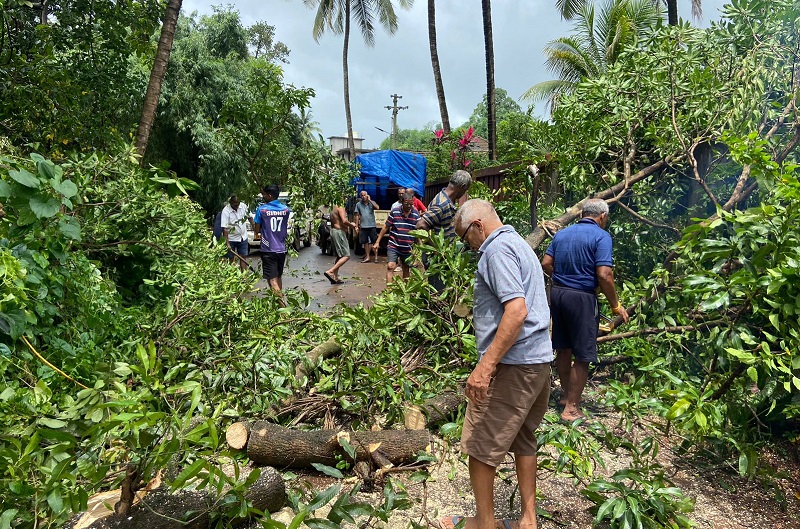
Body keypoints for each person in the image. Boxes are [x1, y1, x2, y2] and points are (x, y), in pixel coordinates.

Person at [443, 199, 553, 529]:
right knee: (523, 439)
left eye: (465, 238)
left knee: (480, 444)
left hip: (514, 365)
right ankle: (527, 519)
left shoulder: (496, 250)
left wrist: (485, 367)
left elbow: (516, 311)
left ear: (477, 225)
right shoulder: (519, 243)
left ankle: (485, 523)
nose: (468, 246)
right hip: (538, 361)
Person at [541, 198, 630, 422]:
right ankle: (571, 408)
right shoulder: (602, 236)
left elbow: (545, 263)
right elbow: (604, 274)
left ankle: (564, 396)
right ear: (601, 216)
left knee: (563, 347)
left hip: (558, 295)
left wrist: (561, 279)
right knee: (583, 354)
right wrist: (615, 305)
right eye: (606, 218)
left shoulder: (562, 234)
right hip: (582, 298)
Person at [415, 169, 472, 290]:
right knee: (438, 293)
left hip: (443, 257)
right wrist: (436, 248)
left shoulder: (446, 199)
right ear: (462, 187)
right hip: (436, 259)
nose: (464, 193)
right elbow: (420, 225)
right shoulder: (442, 204)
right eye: (465, 190)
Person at [375, 190, 420, 284]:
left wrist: (419, 249)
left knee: (406, 268)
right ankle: (389, 292)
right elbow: (386, 227)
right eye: (406, 204)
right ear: (402, 202)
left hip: (408, 247)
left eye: (410, 204)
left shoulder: (416, 213)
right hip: (394, 245)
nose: (408, 206)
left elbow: (418, 232)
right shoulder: (395, 212)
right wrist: (377, 242)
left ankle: (405, 292)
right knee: (390, 266)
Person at [253, 184, 291, 298]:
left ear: (270, 195)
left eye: (264, 194)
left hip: (268, 249)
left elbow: (257, 229)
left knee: (272, 280)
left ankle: (282, 308)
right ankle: (278, 304)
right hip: (281, 248)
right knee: (278, 277)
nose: (263, 196)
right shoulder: (286, 209)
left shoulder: (262, 210)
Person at [323, 204, 358, 284]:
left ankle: (335, 277)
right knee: (346, 255)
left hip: (334, 231)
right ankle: (331, 271)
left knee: (340, 256)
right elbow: (344, 221)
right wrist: (352, 225)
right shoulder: (340, 207)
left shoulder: (333, 207)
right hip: (339, 232)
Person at [220, 194, 250, 272]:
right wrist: (227, 243)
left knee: (243, 256)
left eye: (238, 203)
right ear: (230, 202)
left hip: (243, 237)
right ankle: (232, 277)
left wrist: (255, 230)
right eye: (234, 203)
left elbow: (250, 217)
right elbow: (225, 228)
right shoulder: (226, 211)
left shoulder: (243, 206)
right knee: (231, 258)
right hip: (231, 238)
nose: (236, 205)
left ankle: (244, 277)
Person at [354, 190, 380, 263]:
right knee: (365, 242)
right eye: (362, 195)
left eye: (364, 195)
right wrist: (356, 226)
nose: (363, 197)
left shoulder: (371, 203)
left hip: (372, 225)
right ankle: (368, 257)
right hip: (363, 226)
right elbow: (357, 215)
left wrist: (370, 200)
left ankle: (376, 257)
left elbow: (377, 207)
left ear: (367, 195)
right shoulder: (358, 204)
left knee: (374, 242)